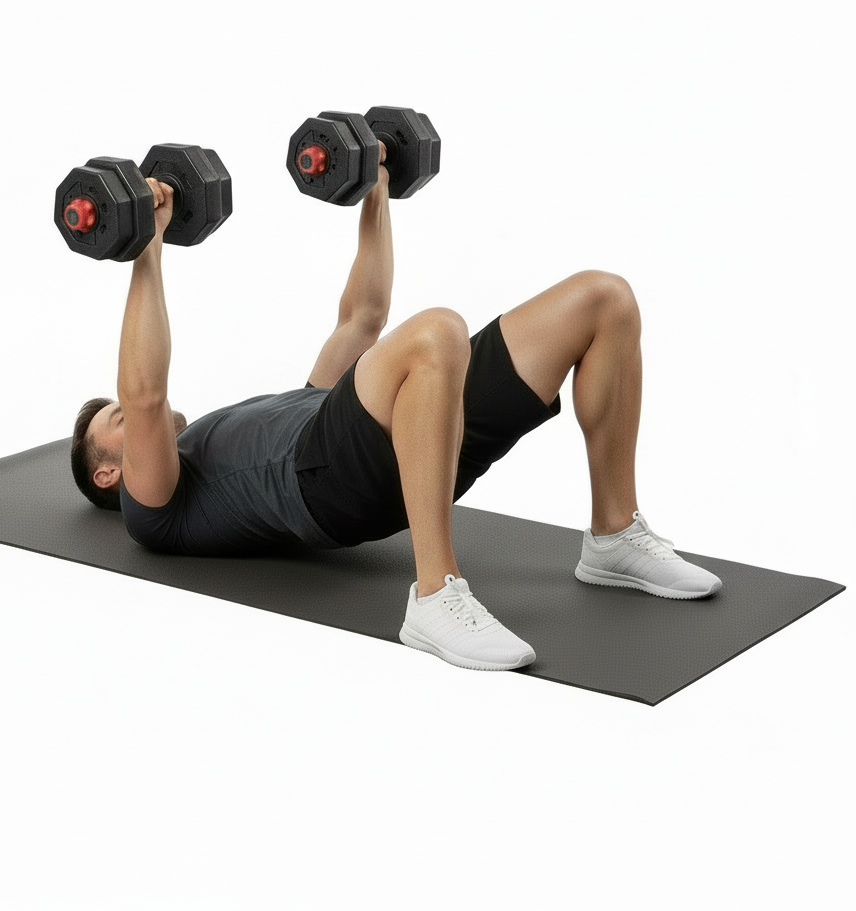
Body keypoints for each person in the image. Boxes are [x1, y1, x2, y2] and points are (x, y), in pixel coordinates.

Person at [70, 143, 721, 672]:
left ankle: (613, 536)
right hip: (327, 484)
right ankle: (436, 596)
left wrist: (373, 182)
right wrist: (146, 248)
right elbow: (146, 394)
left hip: (398, 433)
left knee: (602, 299)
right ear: (110, 473)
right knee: (436, 331)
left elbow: (362, 318)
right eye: (116, 423)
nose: (132, 415)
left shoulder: (246, 419)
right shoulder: (153, 507)